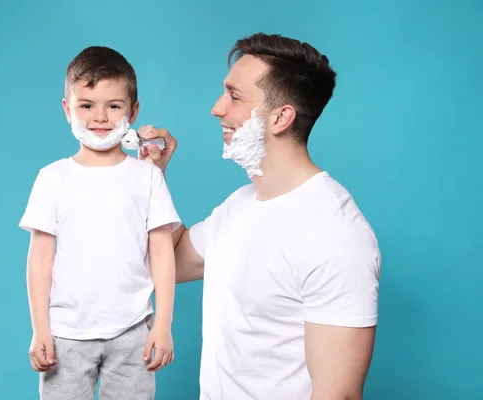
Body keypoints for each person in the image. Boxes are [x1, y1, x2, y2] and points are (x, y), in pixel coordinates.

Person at [139, 33, 381, 400]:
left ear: (281, 117)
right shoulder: (239, 206)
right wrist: (153, 177)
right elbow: (169, 260)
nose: (217, 108)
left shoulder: (336, 232)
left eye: (234, 96)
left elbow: (339, 394)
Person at [19, 46, 181, 400]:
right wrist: (40, 328)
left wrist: (164, 324)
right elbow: (40, 259)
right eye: (87, 105)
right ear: (67, 109)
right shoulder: (53, 178)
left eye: (114, 105)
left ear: (133, 111)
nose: (100, 116)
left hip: (133, 331)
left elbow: (162, 254)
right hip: (66, 334)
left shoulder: (147, 177)